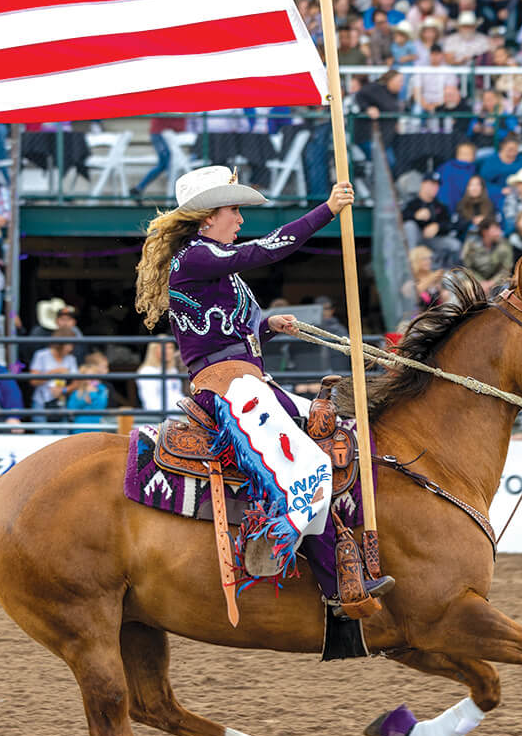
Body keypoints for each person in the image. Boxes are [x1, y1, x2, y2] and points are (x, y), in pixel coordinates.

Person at [131, 165, 385, 599]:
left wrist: (266, 326)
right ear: (208, 216)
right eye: (233, 210)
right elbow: (264, 252)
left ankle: (337, 563)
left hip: (245, 380)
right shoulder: (197, 256)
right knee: (305, 464)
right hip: (230, 386)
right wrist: (326, 209)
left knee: (335, 435)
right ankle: (311, 563)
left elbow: (216, 330)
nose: (241, 219)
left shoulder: (210, 264)